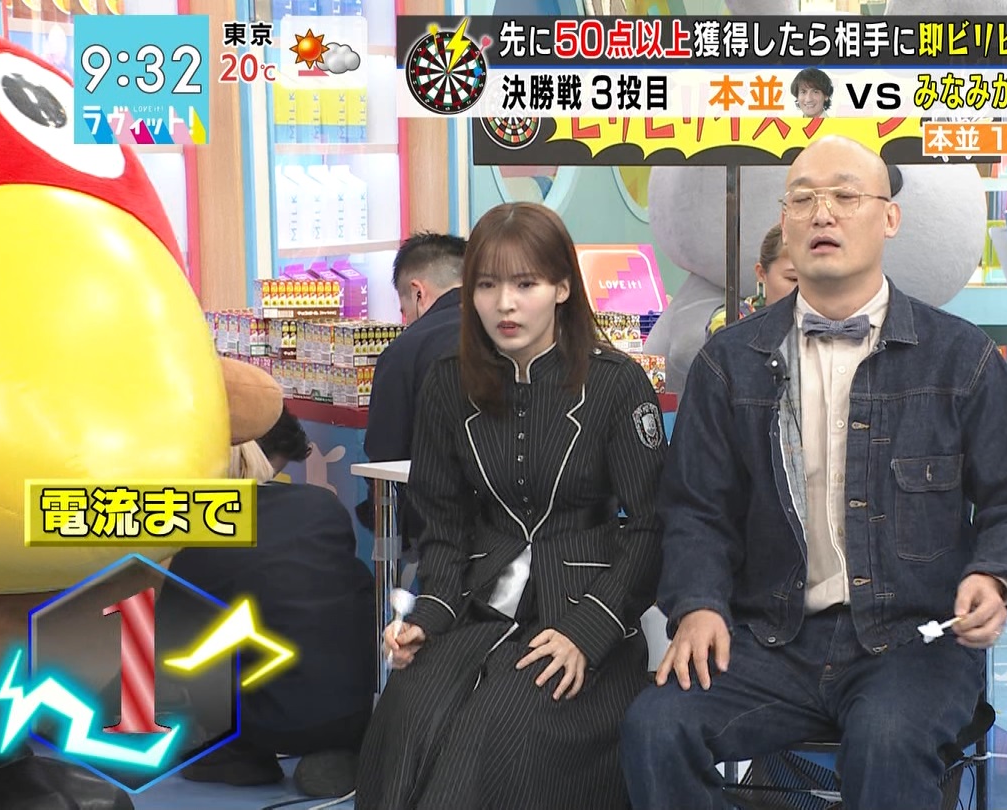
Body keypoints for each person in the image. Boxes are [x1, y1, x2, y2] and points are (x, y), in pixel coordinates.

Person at [621, 136, 1007, 810]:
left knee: (887, 739)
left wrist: (993, 575)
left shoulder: (960, 357)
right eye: (803, 199)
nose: (822, 213)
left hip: (913, 641)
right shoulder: (728, 363)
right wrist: (699, 604)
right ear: (784, 220)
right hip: (767, 639)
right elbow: (696, 509)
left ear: (890, 218)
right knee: (657, 727)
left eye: (846, 196)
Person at [354, 202, 667, 810]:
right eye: (487, 285)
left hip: (583, 613)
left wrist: (590, 630)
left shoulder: (615, 382)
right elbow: (444, 525)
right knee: (406, 713)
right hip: (478, 609)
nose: (505, 304)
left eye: (526, 284)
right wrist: (428, 615)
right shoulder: (448, 382)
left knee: (499, 729)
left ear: (562, 288)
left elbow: (652, 523)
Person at [166, 409, 376, 799]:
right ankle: (330, 747)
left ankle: (238, 751)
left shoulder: (198, 529)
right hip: (352, 708)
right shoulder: (322, 505)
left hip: (262, 716)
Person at [359, 232, 466, 537]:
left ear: (418, 292)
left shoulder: (406, 350)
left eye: (403, 310)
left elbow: (386, 455)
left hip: (442, 528)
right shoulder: (517, 330)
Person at [705, 223, 798, 337]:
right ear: (762, 273)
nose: (805, 289)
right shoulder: (730, 320)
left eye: (816, 280)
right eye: (793, 279)